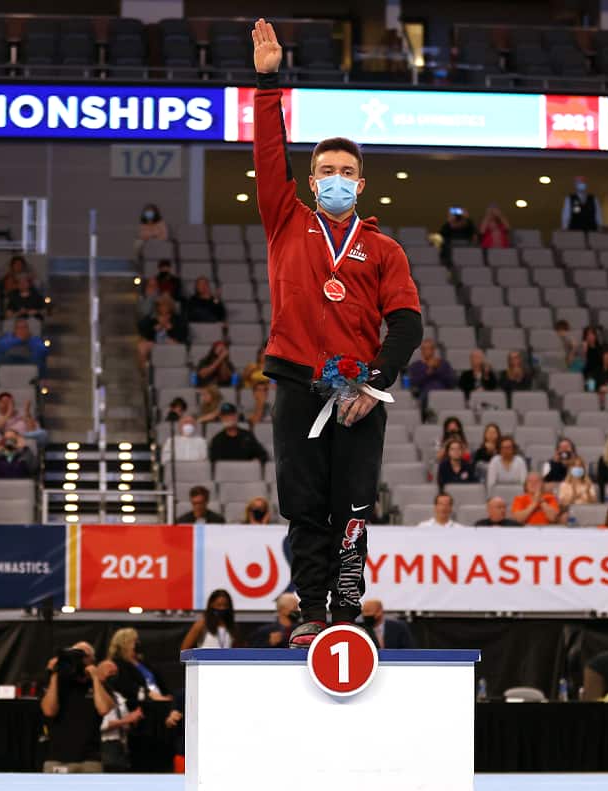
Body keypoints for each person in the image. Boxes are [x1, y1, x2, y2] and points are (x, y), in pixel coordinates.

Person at [252, 19, 422, 648]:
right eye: (326, 168)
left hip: (359, 394)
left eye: (347, 169)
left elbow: (406, 323)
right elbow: (269, 156)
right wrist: (268, 82)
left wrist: (373, 385)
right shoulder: (285, 222)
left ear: (361, 181)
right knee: (302, 504)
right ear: (312, 176)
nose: (336, 177)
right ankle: (311, 613)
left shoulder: (382, 248)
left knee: (352, 507)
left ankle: (347, 610)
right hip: (298, 380)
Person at [40, 644, 114, 774]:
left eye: (82, 656)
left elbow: (103, 709)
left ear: (92, 660)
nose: (79, 661)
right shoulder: (57, 683)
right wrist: (55, 674)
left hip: (90, 759)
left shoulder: (99, 685)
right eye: (74, 656)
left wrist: (95, 678)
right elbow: (49, 711)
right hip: (57, 758)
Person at [104, 627, 172, 706]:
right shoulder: (118, 665)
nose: (138, 643)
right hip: (141, 703)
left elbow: (160, 682)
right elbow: (129, 688)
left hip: (159, 699)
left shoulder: (144, 663)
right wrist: (153, 696)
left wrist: (167, 695)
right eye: (134, 641)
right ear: (125, 644)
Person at [407, 338, 456, 402]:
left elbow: (451, 382)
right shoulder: (416, 366)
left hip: (444, 393)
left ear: (433, 350)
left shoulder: (443, 364)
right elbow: (414, 383)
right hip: (425, 394)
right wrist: (428, 371)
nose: (427, 351)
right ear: (421, 350)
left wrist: (437, 370)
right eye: (424, 349)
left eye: (429, 348)